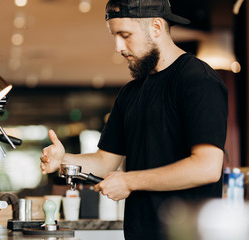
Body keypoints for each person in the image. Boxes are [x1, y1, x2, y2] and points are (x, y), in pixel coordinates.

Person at [40, 0, 228, 239]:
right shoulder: (131, 93)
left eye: (125, 35)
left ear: (157, 27)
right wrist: (63, 160)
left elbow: (207, 167)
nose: (118, 46)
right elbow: (104, 161)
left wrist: (130, 181)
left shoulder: (198, 81)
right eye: (114, 36)